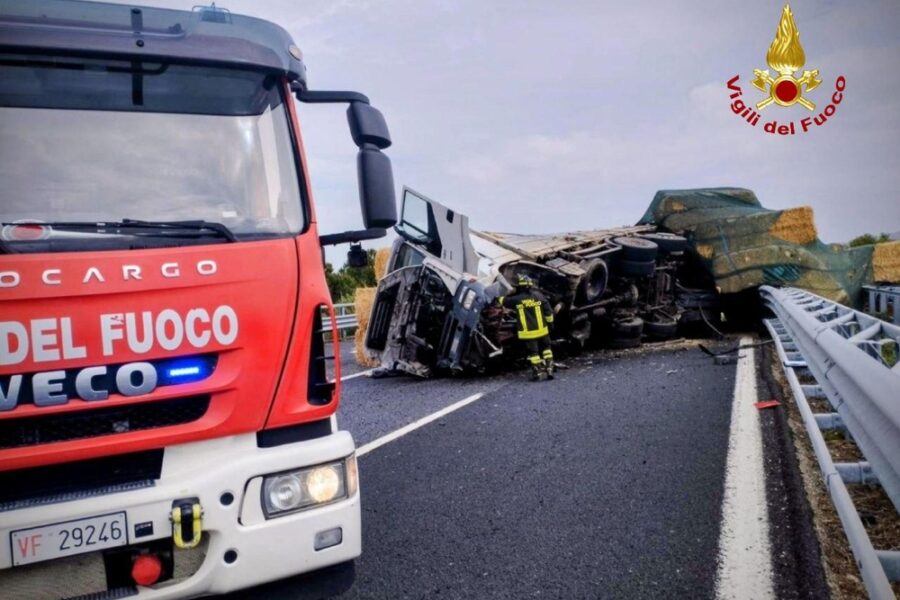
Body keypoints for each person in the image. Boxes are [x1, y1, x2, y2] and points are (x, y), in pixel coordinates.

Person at [499, 275, 555, 380]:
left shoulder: (517, 299)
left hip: (528, 333)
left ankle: (537, 373)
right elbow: (549, 312)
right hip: (542, 330)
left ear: (520, 287)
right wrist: (550, 325)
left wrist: (501, 293)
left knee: (534, 353)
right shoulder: (539, 296)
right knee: (547, 349)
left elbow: (502, 300)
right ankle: (550, 369)